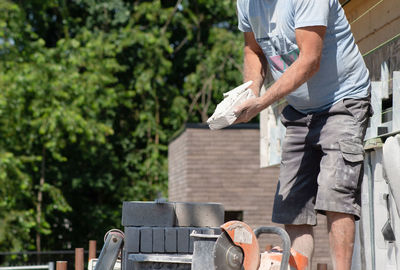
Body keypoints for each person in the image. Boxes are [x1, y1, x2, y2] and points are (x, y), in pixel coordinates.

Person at [233, 0, 372, 269]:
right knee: (292, 203)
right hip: (299, 107)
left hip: (343, 100)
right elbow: (253, 49)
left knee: (337, 194)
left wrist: (262, 103)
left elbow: (309, 60)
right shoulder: (246, 3)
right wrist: (251, 92)